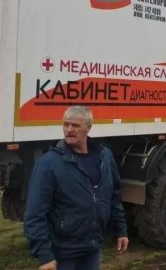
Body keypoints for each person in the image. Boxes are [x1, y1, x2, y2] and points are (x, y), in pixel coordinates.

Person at [23, 106, 129, 270]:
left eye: (75, 125)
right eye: (66, 124)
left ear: (89, 128)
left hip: (93, 248)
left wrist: (121, 230)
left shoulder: (104, 157)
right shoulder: (48, 164)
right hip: (64, 253)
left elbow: (113, 196)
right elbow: (34, 213)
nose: (69, 130)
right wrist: (44, 255)